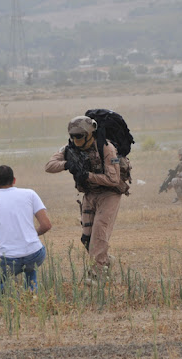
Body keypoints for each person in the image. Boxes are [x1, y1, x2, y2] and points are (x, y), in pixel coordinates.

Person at [45, 116, 129, 279]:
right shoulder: (69, 148)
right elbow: (49, 166)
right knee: (87, 239)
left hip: (109, 194)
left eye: (79, 136)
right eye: (73, 136)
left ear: (90, 134)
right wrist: (66, 164)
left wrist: (87, 176)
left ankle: (97, 274)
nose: (75, 139)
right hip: (90, 194)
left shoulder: (106, 148)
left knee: (99, 232)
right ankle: (105, 261)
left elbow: (113, 180)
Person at [0, 166, 51, 296]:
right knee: (30, 262)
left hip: (7, 259)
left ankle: (13, 296)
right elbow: (46, 225)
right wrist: (30, 235)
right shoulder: (30, 194)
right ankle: (31, 293)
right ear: (14, 180)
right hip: (35, 254)